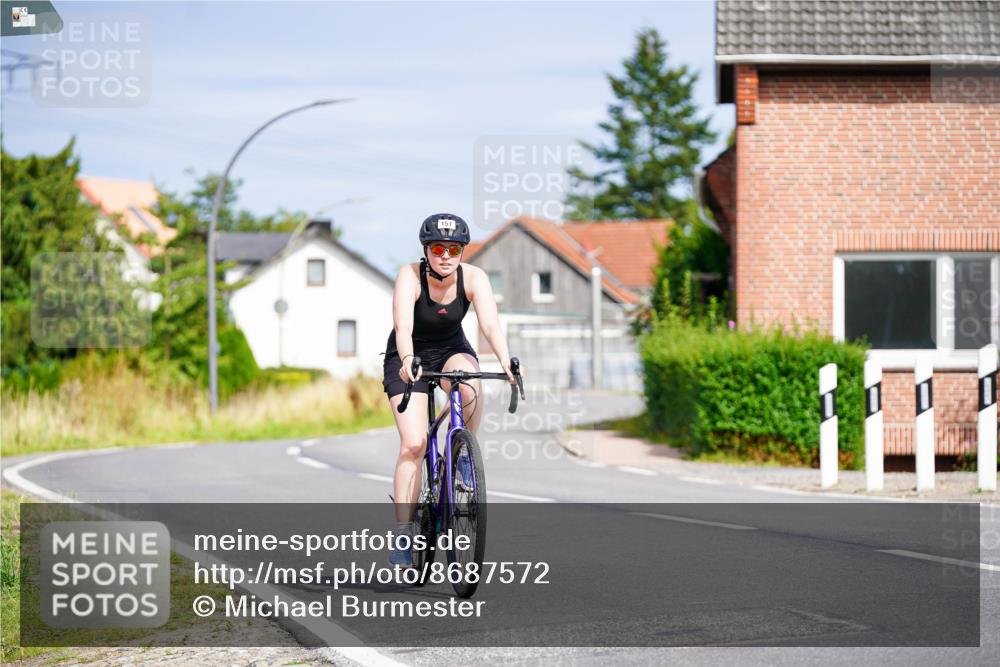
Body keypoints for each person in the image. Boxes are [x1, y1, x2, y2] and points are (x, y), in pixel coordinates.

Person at [381, 213, 518, 567]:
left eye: (454, 249)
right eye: (438, 248)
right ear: (426, 250)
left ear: (461, 252)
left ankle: (462, 455)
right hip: (408, 352)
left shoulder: (474, 277)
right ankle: (403, 532)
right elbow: (403, 325)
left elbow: (489, 323)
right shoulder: (409, 275)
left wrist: (505, 362)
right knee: (414, 444)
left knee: (469, 381)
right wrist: (409, 360)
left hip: (450, 349)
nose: (445, 255)